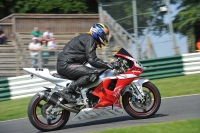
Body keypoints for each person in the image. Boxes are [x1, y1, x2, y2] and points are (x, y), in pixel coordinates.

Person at [57, 23, 120, 103]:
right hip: (66, 64)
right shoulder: (89, 39)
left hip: (67, 63)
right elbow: (92, 60)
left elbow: (92, 59)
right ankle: (67, 91)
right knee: (92, 73)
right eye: (104, 35)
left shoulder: (88, 39)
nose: (105, 38)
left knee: (94, 71)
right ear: (98, 33)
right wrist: (109, 64)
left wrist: (106, 64)